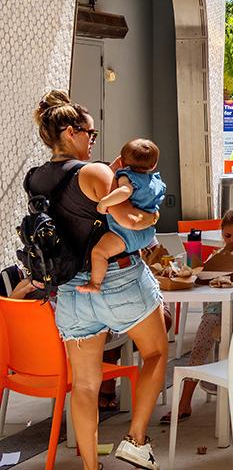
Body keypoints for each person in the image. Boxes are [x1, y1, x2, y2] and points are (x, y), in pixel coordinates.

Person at [28, 90, 167, 469]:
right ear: (72, 132)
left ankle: (92, 467)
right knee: (155, 351)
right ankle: (137, 440)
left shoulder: (35, 178)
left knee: (85, 386)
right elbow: (129, 220)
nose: (93, 140)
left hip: (70, 290)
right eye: (90, 133)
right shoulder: (94, 172)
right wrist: (153, 218)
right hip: (118, 278)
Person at [159, 209, 233, 425]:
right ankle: (185, 400)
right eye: (228, 236)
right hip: (214, 311)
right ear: (221, 235)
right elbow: (200, 277)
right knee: (200, 344)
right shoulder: (216, 258)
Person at [82, 139, 166, 294]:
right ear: (153, 165)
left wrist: (104, 202)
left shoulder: (126, 176)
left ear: (121, 161)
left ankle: (95, 283)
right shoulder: (156, 182)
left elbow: (125, 192)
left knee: (99, 253)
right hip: (147, 234)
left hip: (124, 234)